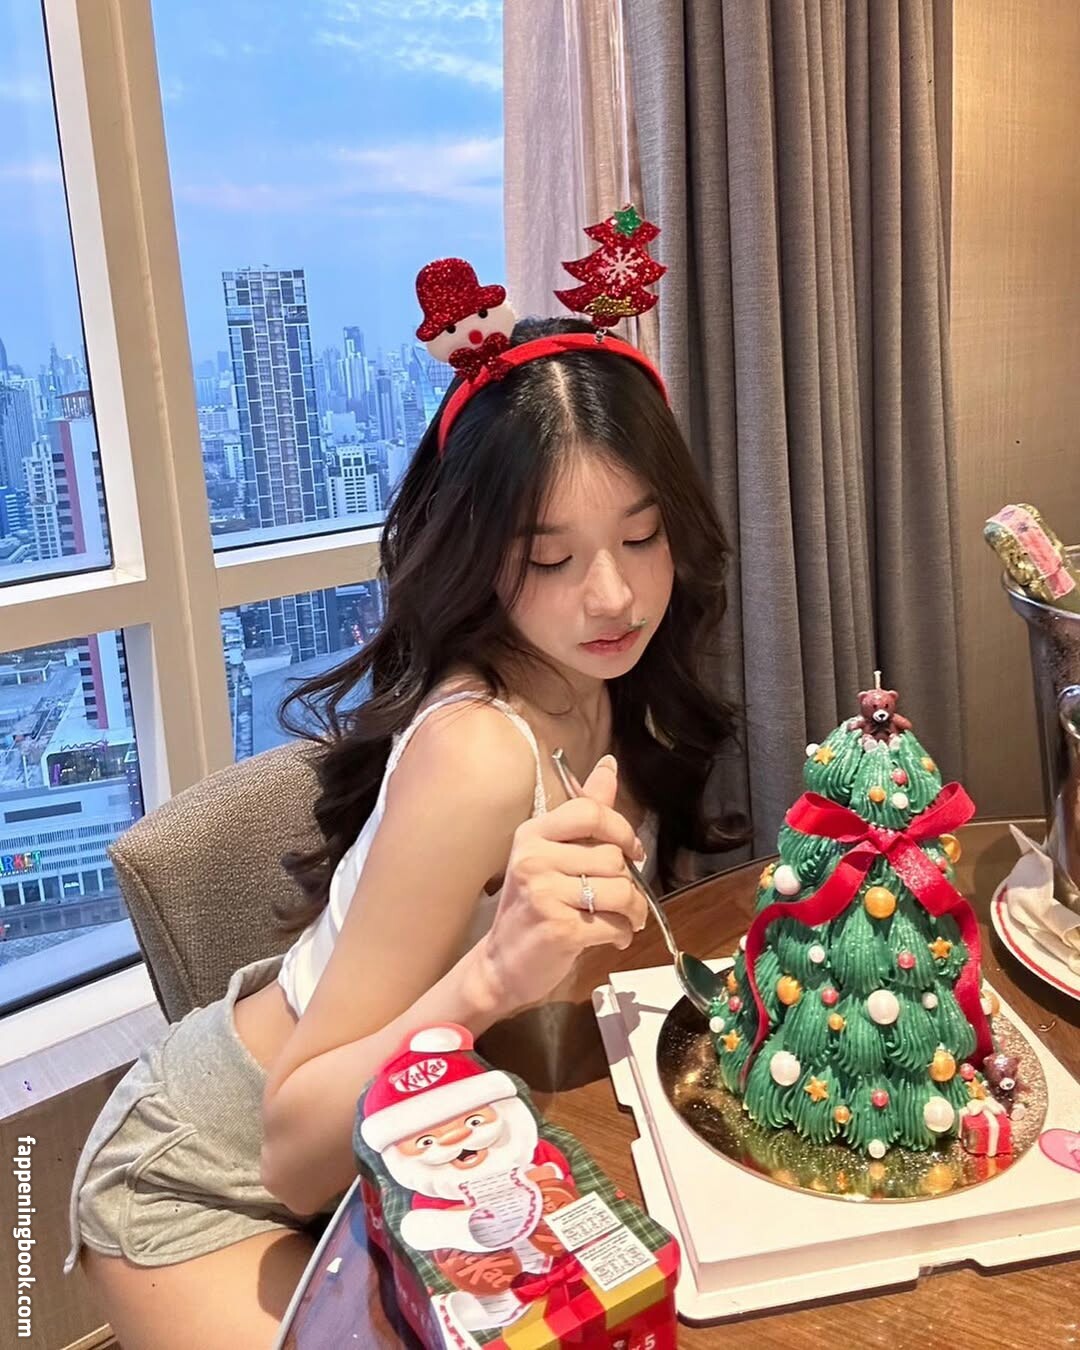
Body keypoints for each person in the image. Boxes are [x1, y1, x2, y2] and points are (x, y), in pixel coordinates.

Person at [63, 283, 745, 1347]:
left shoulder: (596, 674)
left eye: (643, 537)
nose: (614, 596)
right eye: (551, 558)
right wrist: (495, 974)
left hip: (421, 1137)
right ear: (476, 551)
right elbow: (294, 1151)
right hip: (214, 1178)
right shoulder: (478, 753)